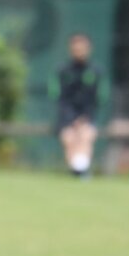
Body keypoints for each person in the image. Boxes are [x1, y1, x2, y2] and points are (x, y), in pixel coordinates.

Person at [49, 33, 107, 178]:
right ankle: (78, 172)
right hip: (66, 119)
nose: (79, 51)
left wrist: (84, 118)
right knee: (69, 137)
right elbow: (56, 96)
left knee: (86, 135)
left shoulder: (97, 71)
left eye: (82, 48)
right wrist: (71, 119)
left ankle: (80, 171)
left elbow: (101, 97)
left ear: (88, 49)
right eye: (76, 48)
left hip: (88, 117)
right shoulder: (62, 71)